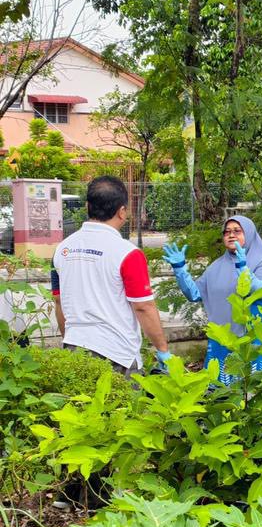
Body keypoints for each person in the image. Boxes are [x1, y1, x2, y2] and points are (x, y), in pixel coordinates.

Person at [51, 176, 174, 509]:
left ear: (88, 207)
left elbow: (59, 303)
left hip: (74, 347)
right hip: (114, 353)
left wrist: (68, 341)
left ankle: (67, 493)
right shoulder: (126, 253)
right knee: (113, 422)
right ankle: (97, 500)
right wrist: (163, 351)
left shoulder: (62, 249)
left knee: (78, 419)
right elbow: (144, 306)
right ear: (123, 211)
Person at [161, 216, 262, 384]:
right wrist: (180, 269)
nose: (231, 235)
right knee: (220, 394)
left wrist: (243, 268)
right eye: (227, 232)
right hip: (222, 341)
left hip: (252, 342)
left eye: (237, 231)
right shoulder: (215, 267)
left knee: (252, 394)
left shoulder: (261, 262)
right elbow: (194, 293)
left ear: (249, 234)